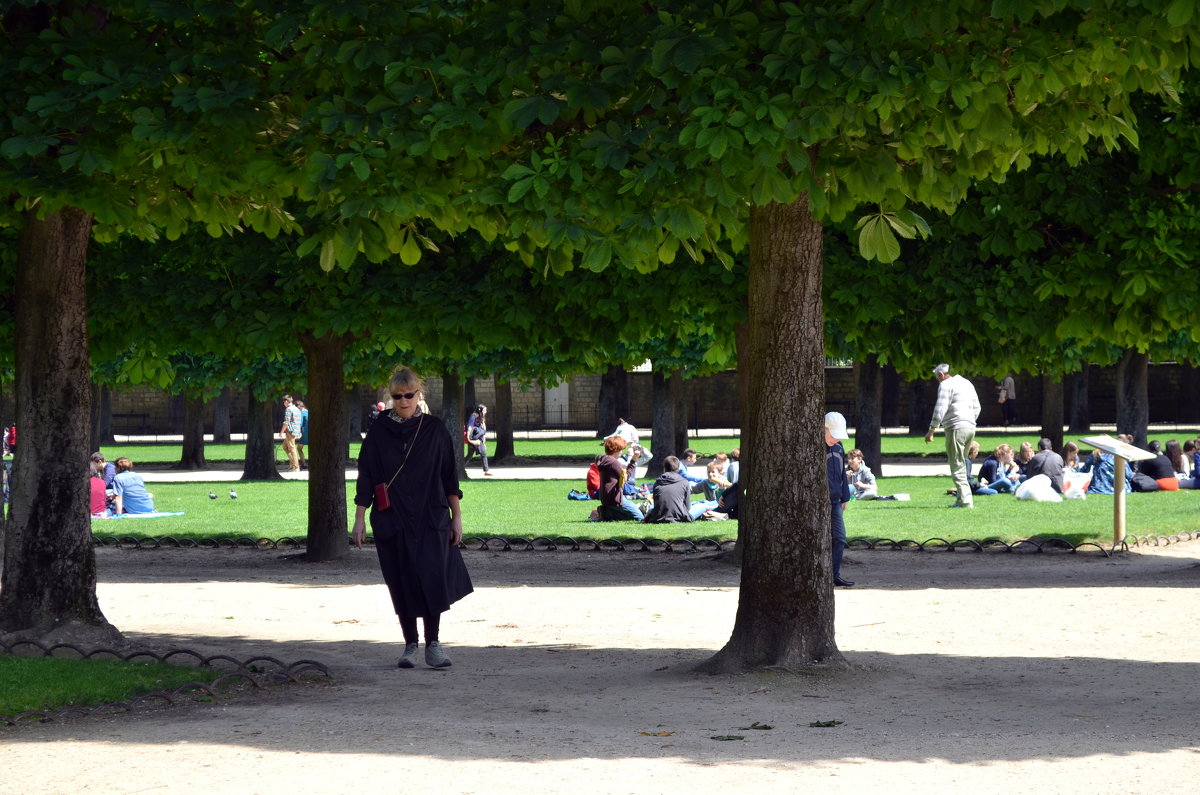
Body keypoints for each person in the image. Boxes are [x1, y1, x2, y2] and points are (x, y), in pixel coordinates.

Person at [352, 366, 473, 670]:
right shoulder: (379, 431)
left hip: (430, 515)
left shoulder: (434, 429)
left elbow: (449, 477)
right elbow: (366, 476)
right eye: (397, 396)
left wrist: (456, 517)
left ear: (419, 393)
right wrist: (359, 517)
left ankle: (433, 643)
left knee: (432, 577)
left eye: (409, 394)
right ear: (390, 397)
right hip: (392, 518)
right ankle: (410, 644)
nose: (404, 401)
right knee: (400, 579)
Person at [924, 363, 981, 508]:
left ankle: (966, 500)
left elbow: (940, 408)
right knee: (961, 462)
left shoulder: (945, 385)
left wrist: (932, 430)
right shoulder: (966, 383)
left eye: (937, 378)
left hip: (956, 427)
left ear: (941, 375)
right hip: (970, 427)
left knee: (956, 464)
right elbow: (977, 407)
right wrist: (969, 421)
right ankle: (962, 499)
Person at [825, 412, 854, 587]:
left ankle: (834, 575)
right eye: (833, 435)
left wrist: (845, 497)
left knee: (840, 538)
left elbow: (842, 473)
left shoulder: (838, 447)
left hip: (836, 500)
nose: (836, 439)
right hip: (822, 501)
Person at [595, 435, 644, 521]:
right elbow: (625, 477)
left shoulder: (605, 459)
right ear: (616, 449)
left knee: (628, 513)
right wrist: (633, 460)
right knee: (640, 517)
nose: (622, 451)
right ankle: (608, 514)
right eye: (621, 449)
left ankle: (607, 513)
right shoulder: (613, 462)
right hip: (615, 499)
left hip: (606, 498)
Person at [642, 456, 693, 523]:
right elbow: (688, 507)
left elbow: (656, 503)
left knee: (651, 509)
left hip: (658, 516)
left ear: (664, 468)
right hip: (679, 516)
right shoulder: (684, 482)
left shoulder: (657, 483)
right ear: (678, 468)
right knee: (703, 504)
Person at [464, 404, 492, 475]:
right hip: (475, 438)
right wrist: (469, 439)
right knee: (483, 453)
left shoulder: (481, 417)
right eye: (484, 410)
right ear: (480, 410)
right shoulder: (474, 416)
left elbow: (483, 430)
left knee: (469, 455)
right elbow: (469, 427)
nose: (486, 411)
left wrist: (484, 442)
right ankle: (486, 470)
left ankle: (458, 467)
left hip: (479, 439)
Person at [280, 394, 302, 472]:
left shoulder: (289, 409)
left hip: (290, 432)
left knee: (292, 449)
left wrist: (281, 432)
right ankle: (293, 464)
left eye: (283, 402)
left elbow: (286, 422)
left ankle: (296, 467)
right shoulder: (297, 409)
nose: (283, 404)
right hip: (296, 431)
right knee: (285, 447)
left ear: (286, 401)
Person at [295, 399, 309, 469]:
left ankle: (303, 464)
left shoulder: (301, 413)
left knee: (299, 448)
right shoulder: (309, 412)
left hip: (305, 434)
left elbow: (299, 424)